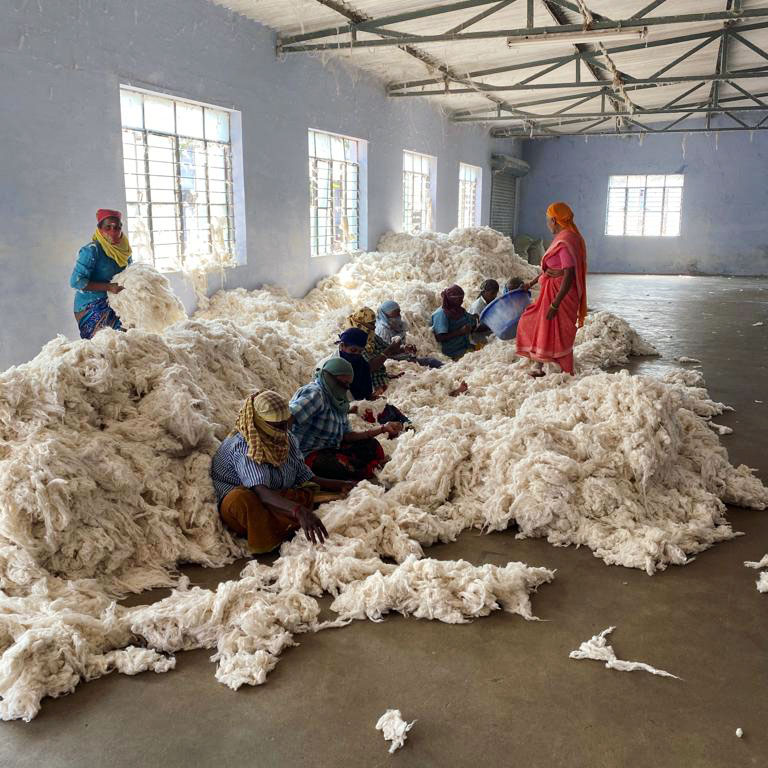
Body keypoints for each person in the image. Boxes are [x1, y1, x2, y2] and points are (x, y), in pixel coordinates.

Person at [211, 390, 356, 552]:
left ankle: (289, 520)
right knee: (242, 500)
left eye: (285, 423)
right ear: (260, 421)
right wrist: (298, 511)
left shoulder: (285, 438)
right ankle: (273, 534)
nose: (284, 429)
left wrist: (340, 484)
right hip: (248, 505)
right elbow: (261, 492)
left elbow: (303, 473)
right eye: (277, 426)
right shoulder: (245, 445)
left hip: (273, 495)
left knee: (293, 495)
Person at [290, 357, 403, 481]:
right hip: (308, 454)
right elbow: (289, 418)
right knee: (340, 466)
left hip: (331, 448)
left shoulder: (339, 401)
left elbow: (347, 436)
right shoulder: (316, 394)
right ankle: (369, 469)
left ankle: (369, 468)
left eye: (348, 384)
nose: (346, 387)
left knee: (371, 445)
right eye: (343, 383)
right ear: (328, 376)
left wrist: (382, 428)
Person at [516, 202, 588, 377]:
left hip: (561, 294)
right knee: (538, 323)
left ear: (554, 220)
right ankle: (540, 364)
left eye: (548, 220)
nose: (547, 224)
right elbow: (550, 270)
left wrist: (555, 304)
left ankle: (565, 370)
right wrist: (531, 284)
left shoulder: (565, 240)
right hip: (552, 290)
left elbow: (569, 274)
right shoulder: (569, 237)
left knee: (558, 329)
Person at [70, 209, 132, 339]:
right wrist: (109, 287)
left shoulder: (124, 251)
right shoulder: (91, 251)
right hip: (91, 304)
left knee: (129, 338)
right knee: (106, 344)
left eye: (117, 227)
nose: (113, 232)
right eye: (107, 227)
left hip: (116, 301)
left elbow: (131, 272)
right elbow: (76, 282)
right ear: (99, 229)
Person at [346, 307, 403, 393]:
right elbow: (369, 367)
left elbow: (387, 349)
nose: (374, 326)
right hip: (366, 386)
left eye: (374, 323)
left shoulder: (371, 335)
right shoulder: (353, 340)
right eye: (371, 323)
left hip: (380, 379)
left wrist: (403, 349)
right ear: (361, 323)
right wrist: (390, 349)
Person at [375, 301, 443, 369]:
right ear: (384, 315)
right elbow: (386, 353)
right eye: (394, 314)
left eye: (398, 313)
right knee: (432, 362)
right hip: (396, 361)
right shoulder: (383, 330)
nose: (398, 316)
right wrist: (404, 351)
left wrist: (405, 348)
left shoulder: (396, 325)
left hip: (403, 355)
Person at [431, 284, 477, 360]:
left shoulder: (459, 310)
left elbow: (470, 319)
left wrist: (474, 319)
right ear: (450, 299)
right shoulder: (441, 314)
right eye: (458, 299)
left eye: (462, 298)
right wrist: (460, 331)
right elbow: (439, 337)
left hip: (465, 346)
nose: (461, 301)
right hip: (452, 352)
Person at [468, 279, 499, 347]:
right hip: (476, 338)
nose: (494, 296)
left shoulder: (490, 301)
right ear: (485, 292)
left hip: (487, 331)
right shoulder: (477, 307)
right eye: (492, 293)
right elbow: (471, 329)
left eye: (496, 294)